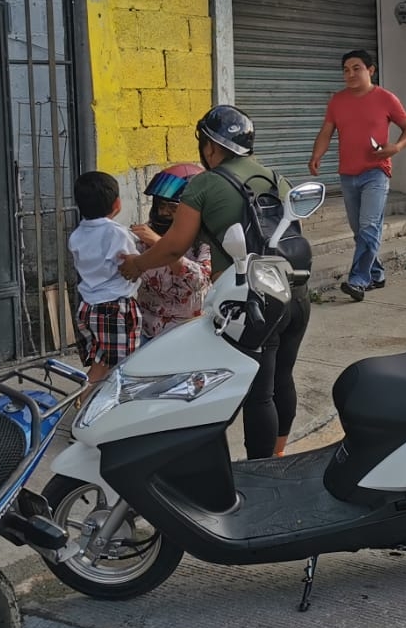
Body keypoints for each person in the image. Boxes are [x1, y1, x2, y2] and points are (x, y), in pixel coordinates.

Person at [121, 107, 311, 460]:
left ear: (210, 147)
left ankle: (261, 471)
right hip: (295, 292)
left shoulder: (205, 184)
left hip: (254, 303)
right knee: (282, 379)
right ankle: (280, 458)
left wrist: (136, 265)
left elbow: (175, 245)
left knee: (259, 394)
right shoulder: (275, 177)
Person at [309, 49, 406, 302]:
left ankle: (358, 280)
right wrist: (316, 155)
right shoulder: (337, 101)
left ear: (370, 70)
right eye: (346, 70)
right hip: (348, 174)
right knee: (360, 231)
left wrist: (396, 147)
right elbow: (326, 131)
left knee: (369, 226)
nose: (350, 74)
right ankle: (376, 273)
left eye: (356, 68)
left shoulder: (386, 98)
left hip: (376, 173)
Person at [69, 171, 141, 385]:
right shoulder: (117, 233)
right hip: (115, 307)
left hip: (88, 306)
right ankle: (84, 406)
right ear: (117, 204)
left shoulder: (77, 235)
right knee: (117, 367)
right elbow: (134, 266)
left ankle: (84, 402)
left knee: (100, 362)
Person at [131, 163, 214, 339]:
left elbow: (198, 281)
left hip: (187, 334)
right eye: (161, 206)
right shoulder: (145, 234)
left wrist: (159, 244)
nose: (163, 213)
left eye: (172, 208)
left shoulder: (205, 241)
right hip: (147, 330)